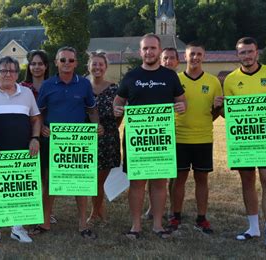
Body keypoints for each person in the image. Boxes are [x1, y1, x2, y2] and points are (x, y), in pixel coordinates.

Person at [223, 37, 266, 257]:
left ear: (257, 53)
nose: (247, 56)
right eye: (242, 53)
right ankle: (253, 228)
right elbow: (228, 115)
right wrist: (221, 106)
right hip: (242, 139)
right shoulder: (231, 80)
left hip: (264, 138)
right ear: (238, 55)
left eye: (250, 52)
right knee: (247, 181)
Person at [113, 34, 186, 239]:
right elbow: (118, 101)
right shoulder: (131, 76)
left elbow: (182, 101)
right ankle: (136, 226)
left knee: (159, 182)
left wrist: (181, 106)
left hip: (161, 138)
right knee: (137, 183)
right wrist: (117, 109)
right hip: (137, 139)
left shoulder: (170, 76)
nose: (149, 52)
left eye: (153, 48)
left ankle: (157, 225)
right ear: (140, 51)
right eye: (145, 49)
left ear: (159, 50)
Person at [31, 46, 103, 239]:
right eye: (63, 60)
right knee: (49, 182)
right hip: (53, 141)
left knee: (81, 183)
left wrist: (96, 126)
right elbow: (38, 113)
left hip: (78, 142)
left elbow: (92, 109)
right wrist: (42, 128)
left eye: (71, 60)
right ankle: (45, 222)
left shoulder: (84, 85)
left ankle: (83, 224)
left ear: (76, 63)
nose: (67, 64)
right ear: (56, 62)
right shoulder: (47, 85)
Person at [0, 56, 41, 245]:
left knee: (20, 189)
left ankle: (17, 228)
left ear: (17, 74)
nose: (8, 74)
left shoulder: (26, 93)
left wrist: (35, 138)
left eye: (12, 71)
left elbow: (36, 118)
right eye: (3, 70)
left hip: (22, 152)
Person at [167, 42, 223, 234]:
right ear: (185, 57)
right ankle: (176, 216)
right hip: (179, 137)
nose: (195, 58)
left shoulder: (214, 82)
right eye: (192, 54)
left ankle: (202, 217)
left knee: (202, 179)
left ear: (204, 56)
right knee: (179, 178)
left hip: (203, 138)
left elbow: (216, 111)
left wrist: (214, 112)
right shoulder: (175, 79)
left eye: (199, 54)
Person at [20, 50, 58, 224]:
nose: (36, 67)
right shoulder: (21, 87)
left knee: (46, 176)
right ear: (29, 66)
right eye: (33, 63)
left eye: (40, 64)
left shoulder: (53, 85)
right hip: (28, 135)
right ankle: (31, 211)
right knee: (31, 176)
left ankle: (45, 212)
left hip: (50, 135)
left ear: (46, 66)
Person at [145, 47, 180, 220]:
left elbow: (183, 102)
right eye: (165, 58)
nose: (168, 61)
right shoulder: (151, 78)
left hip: (174, 133)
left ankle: (173, 210)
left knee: (172, 176)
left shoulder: (174, 78)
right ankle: (153, 208)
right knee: (153, 174)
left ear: (178, 61)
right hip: (153, 135)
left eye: (172, 58)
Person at [86, 51, 121, 226]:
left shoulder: (115, 89)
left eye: (101, 64)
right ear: (89, 66)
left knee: (99, 179)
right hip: (86, 140)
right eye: (94, 64)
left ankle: (95, 213)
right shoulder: (82, 87)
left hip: (108, 140)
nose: (97, 67)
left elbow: (119, 115)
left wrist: (110, 128)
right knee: (92, 179)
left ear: (106, 67)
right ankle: (99, 212)